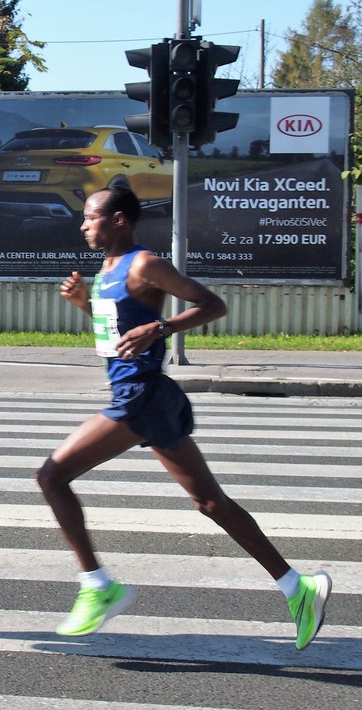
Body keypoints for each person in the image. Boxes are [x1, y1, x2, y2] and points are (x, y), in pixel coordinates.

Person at [36, 185, 331, 650]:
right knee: (210, 502)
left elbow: (213, 304)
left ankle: (98, 586)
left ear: (118, 221)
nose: (83, 224)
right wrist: (84, 307)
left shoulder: (143, 263)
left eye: (91, 217)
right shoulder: (107, 269)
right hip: (147, 396)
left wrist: (164, 326)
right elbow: (116, 332)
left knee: (52, 476)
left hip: (140, 396)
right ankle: (299, 587)